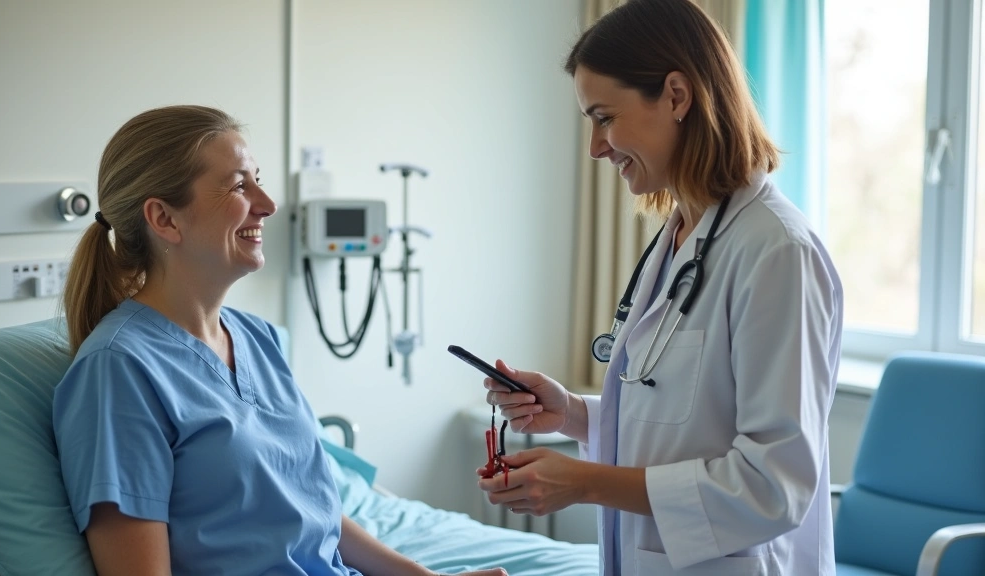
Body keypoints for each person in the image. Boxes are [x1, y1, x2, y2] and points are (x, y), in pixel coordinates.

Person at [53, 105, 506, 576]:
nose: (267, 204)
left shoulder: (258, 338)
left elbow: (310, 506)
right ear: (165, 219)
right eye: (238, 186)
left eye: (258, 180)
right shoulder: (117, 370)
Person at [477, 1, 843, 574]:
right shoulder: (680, 237)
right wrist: (570, 413)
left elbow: (773, 486)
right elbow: (678, 423)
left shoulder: (776, 253)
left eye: (604, 117)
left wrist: (586, 482)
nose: (595, 147)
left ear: (676, 96)